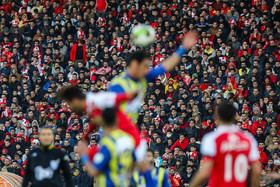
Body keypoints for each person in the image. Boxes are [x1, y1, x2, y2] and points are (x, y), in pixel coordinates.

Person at [109, 32, 198, 122]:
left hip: (129, 125)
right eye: (145, 67)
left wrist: (183, 48)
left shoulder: (141, 76)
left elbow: (165, 66)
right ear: (135, 65)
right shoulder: (118, 85)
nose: (147, 70)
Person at [58, 85, 146, 161]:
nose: (70, 107)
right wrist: (85, 136)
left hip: (130, 141)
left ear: (75, 100)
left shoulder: (95, 99)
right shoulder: (89, 107)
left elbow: (116, 98)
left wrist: (129, 96)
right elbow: (96, 120)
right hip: (120, 139)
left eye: (69, 103)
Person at [189, 102, 260, 187]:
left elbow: (204, 173)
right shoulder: (248, 139)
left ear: (217, 116)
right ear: (235, 117)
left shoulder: (212, 139)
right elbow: (256, 171)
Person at [77, 107, 135, 186]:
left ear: (102, 122)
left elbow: (93, 171)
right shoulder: (127, 139)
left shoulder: (108, 143)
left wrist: (84, 155)